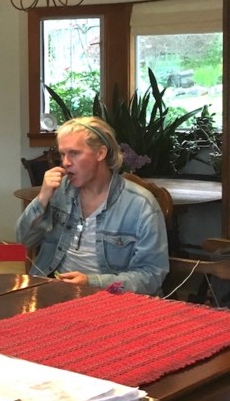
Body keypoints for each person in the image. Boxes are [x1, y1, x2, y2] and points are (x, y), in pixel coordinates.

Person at [15, 117, 169, 295]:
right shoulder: (58, 192)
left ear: (101, 153)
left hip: (110, 301)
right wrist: (42, 199)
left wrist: (92, 283)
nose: (65, 162)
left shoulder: (141, 205)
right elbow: (23, 242)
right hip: (52, 291)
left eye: (74, 153)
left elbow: (152, 276)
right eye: (62, 154)